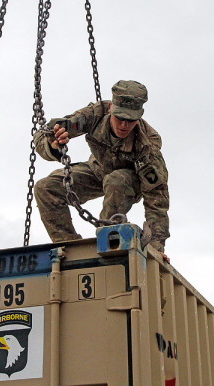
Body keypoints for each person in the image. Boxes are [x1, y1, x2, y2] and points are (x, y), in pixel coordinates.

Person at [33, 80, 170, 257]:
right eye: (119, 117)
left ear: (140, 114)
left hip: (128, 182)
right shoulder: (95, 114)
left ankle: (108, 242)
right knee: (45, 188)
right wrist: (52, 144)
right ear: (111, 108)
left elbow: (157, 200)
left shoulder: (147, 147)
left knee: (116, 181)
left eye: (130, 121)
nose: (123, 125)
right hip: (96, 170)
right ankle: (70, 249)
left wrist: (156, 247)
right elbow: (45, 132)